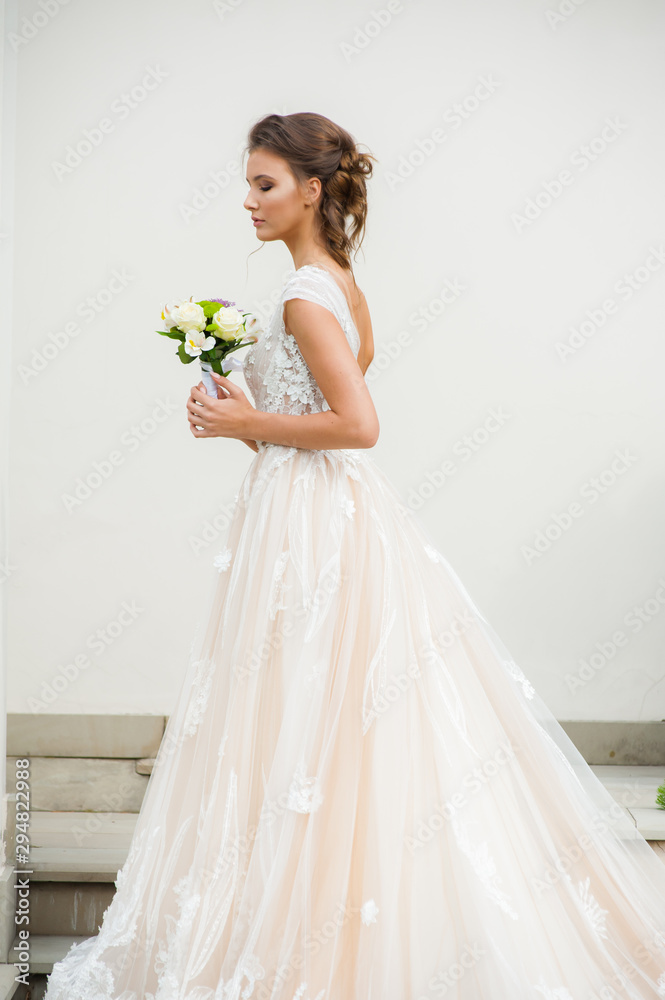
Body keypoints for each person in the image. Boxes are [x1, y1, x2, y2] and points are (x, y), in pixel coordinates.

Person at [45, 112, 665, 1000]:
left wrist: (246, 418)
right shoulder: (340, 281)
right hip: (315, 512)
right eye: (248, 184)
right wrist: (241, 423)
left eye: (263, 184)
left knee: (306, 710)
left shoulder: (305, 291)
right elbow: (318, 428)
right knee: (326, 716)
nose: (248, 201)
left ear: (310, 188)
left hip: (309, 529)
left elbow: (357, 426)